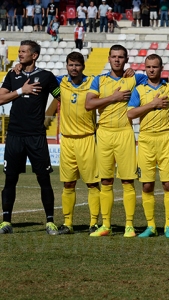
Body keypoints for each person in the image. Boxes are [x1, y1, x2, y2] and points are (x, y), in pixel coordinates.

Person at [85, 45, 147, 237]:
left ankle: (129, 225)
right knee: (105, 180)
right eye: (114, 57)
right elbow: (89, 104)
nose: (117, 60)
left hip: (124, 133)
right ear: (109, 58)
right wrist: (113, 98)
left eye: (121, 57)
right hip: (103, 133)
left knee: (128, 180)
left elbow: (157, 81)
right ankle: (106, 225)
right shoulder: (99, 80)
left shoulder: (135, 78)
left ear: (126, 59)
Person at [0, 40, 61, 235]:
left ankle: (50, 222)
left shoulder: (46, 77)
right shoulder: (13, 74)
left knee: (44, 178)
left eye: (23, 51)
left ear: (34, 55)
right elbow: (0, 98)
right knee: (10, 179)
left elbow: (62, 96)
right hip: (15, 134)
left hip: (36, 135)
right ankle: (6, 221)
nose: (19, 54)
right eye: (19, 51)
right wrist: (20, 91)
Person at [127, 54, 169, 238]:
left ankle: (168, 226)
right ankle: (151, 226)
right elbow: (131, 114)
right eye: (148, 67)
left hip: (165, 139)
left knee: (168, 184)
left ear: (161, 68)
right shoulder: (139, 90)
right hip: (145, 140)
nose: (152, 70)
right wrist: (153, 104)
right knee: (147, 185)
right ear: (145, 68)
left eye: (155, 67)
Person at [53, 52, 100, 235]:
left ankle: (94, 223)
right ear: (66, 66)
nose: (74, 68)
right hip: (67, 140)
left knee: (92, 184)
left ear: (83, 66)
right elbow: (38, 75)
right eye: (71, 65)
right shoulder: (60, 81)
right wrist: (19, 67)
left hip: (87, 138)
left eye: (77, 65)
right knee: (68, 183)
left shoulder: (93, 83)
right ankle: (68, 223)